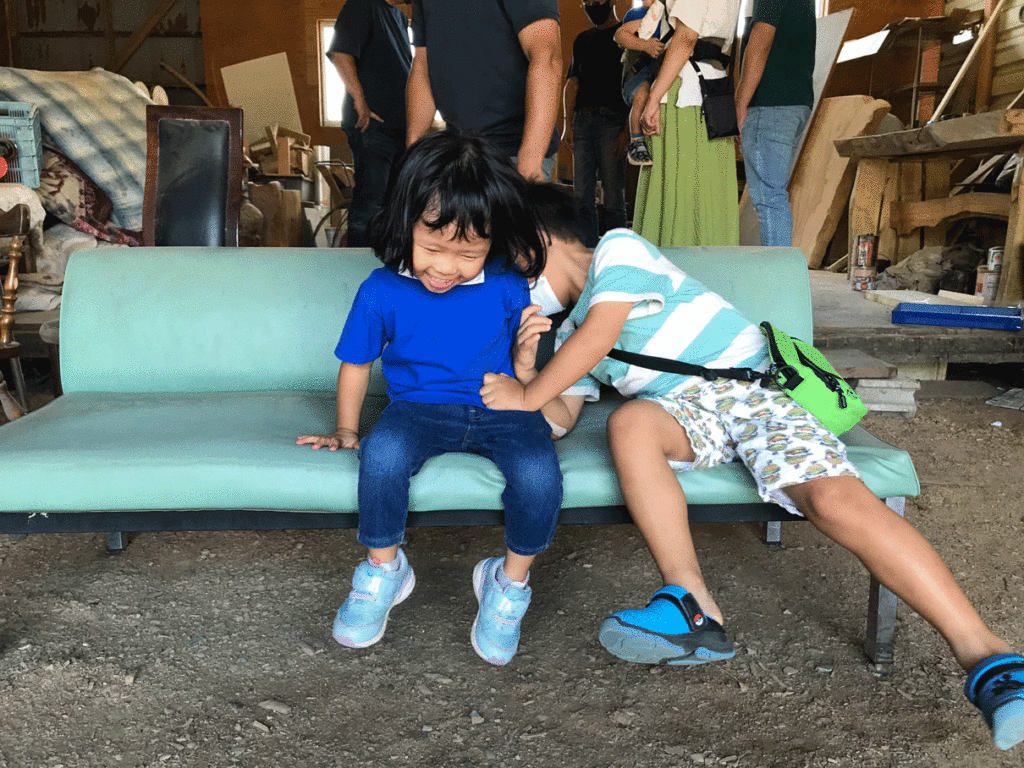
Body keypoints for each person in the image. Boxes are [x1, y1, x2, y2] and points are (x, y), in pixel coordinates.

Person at [479, 183, 1024, 751]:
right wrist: (526, 375)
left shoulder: (619, 251)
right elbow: (559, 420)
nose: (507, 287)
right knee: (631, 422)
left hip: (754, 394)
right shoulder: (568, 335)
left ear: (536, 241)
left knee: (833, 501)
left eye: (504, 267)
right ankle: (691, 603)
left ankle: (990, 659)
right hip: (686, 414)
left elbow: (600, 335)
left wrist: (529, 390)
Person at [297, 131, 563, 667]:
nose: (444, 268)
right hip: (417, 410)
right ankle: (384, 570)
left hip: (502, 407)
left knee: (540, 475)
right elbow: (356, 363)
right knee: (382, 454)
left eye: (468, 254)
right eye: (433, 248)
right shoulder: (381, 289)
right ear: (405, 223)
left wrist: (526, 365)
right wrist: (346, 430)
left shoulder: (508, 283)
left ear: (492, 242)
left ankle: (508, 583)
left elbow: (524, 367)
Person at [405, 0, 561, 181]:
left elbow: (547, 58)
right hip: (456, 150)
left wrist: (530, 162)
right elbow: (422, 66)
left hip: (512, 154)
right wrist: (412, 148)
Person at [632, 0, 740, 247]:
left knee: (679, 189)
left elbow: (686, 37)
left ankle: (670, 264)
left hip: (685, 88)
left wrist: (653, 98)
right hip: (714, 88)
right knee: (711, 193)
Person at [327, 0, 412, 247]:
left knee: (393, 206)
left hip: (399, 127)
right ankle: (358, 264)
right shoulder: (363, 4)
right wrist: (359, 101)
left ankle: (384, 263)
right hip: (372, 125)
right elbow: (341, 54)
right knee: (370, 202)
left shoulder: (398, 16)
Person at [735, 0, 815, 247]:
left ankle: (778, 270)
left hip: (770, 102)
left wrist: (740, 104)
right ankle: (780, 267)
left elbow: (761, 40)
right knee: (774, 196)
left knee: (770, 198)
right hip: (795, 100)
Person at [562, 0, 629, 248]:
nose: (591, 5)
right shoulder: (582, 39)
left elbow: (634, 84)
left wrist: (627, 131)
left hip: (613, 122)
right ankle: (586, 253)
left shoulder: (626, 36)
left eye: (596, 0)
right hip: (582, 122)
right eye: (586, 2)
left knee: (613, 198)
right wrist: (568, 124)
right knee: (581, 197)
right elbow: (573, 82)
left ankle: (617, 254)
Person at [615, 0, 668, 167]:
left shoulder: (670, 17)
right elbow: (620, 35)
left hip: (659, 76)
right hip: (638, 74)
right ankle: (636, 142)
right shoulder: (641, 14)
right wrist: (644, 45)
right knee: (642, 95)